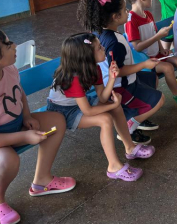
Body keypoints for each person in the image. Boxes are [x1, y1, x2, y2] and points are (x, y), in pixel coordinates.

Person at [0, 27, 75, 224]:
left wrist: (26, 116)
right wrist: (24, 136)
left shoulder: (8, 69)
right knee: (7, 160)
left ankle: (42, 180)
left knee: (57, 121)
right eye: (8, 45)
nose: (14, 46)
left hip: (18, 124)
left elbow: (20, 93)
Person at [47, 33, 154, 183]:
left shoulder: (94, 68)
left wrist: (111, 77)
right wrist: (115, 103)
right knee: (105, 120)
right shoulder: (74, 78)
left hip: (79, 103)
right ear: (87, 56)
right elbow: (88, 111)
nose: (103, 48)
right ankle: (114, 167)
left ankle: (129, 147)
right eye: (99, 47)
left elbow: (102, 97)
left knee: (114, 108)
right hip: (62, 111)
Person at [77, 0, 165, 143]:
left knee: (152, 78)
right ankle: (129, 125)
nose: (128, 11)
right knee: (160, 99)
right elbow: (118, 71)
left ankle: (137, 115)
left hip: (120, 82)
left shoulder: (101, 33)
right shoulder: (114, 42)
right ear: (116, 17)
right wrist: (144, 63)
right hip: (120, 87)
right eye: (125, 10)